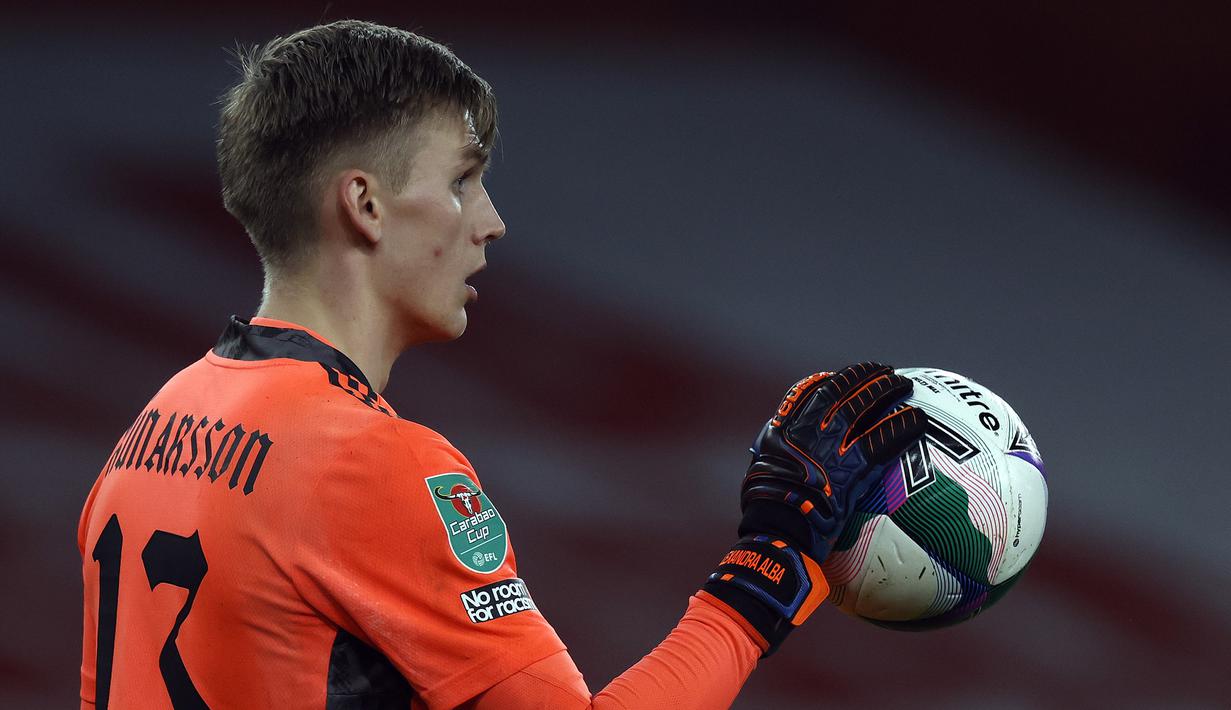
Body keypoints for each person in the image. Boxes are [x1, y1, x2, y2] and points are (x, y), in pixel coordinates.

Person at [78, 20, 926, 709]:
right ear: (365, 204)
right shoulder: (372, 463)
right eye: (462, 179)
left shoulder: (155, 426)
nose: (490, 221)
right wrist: (771, 568)